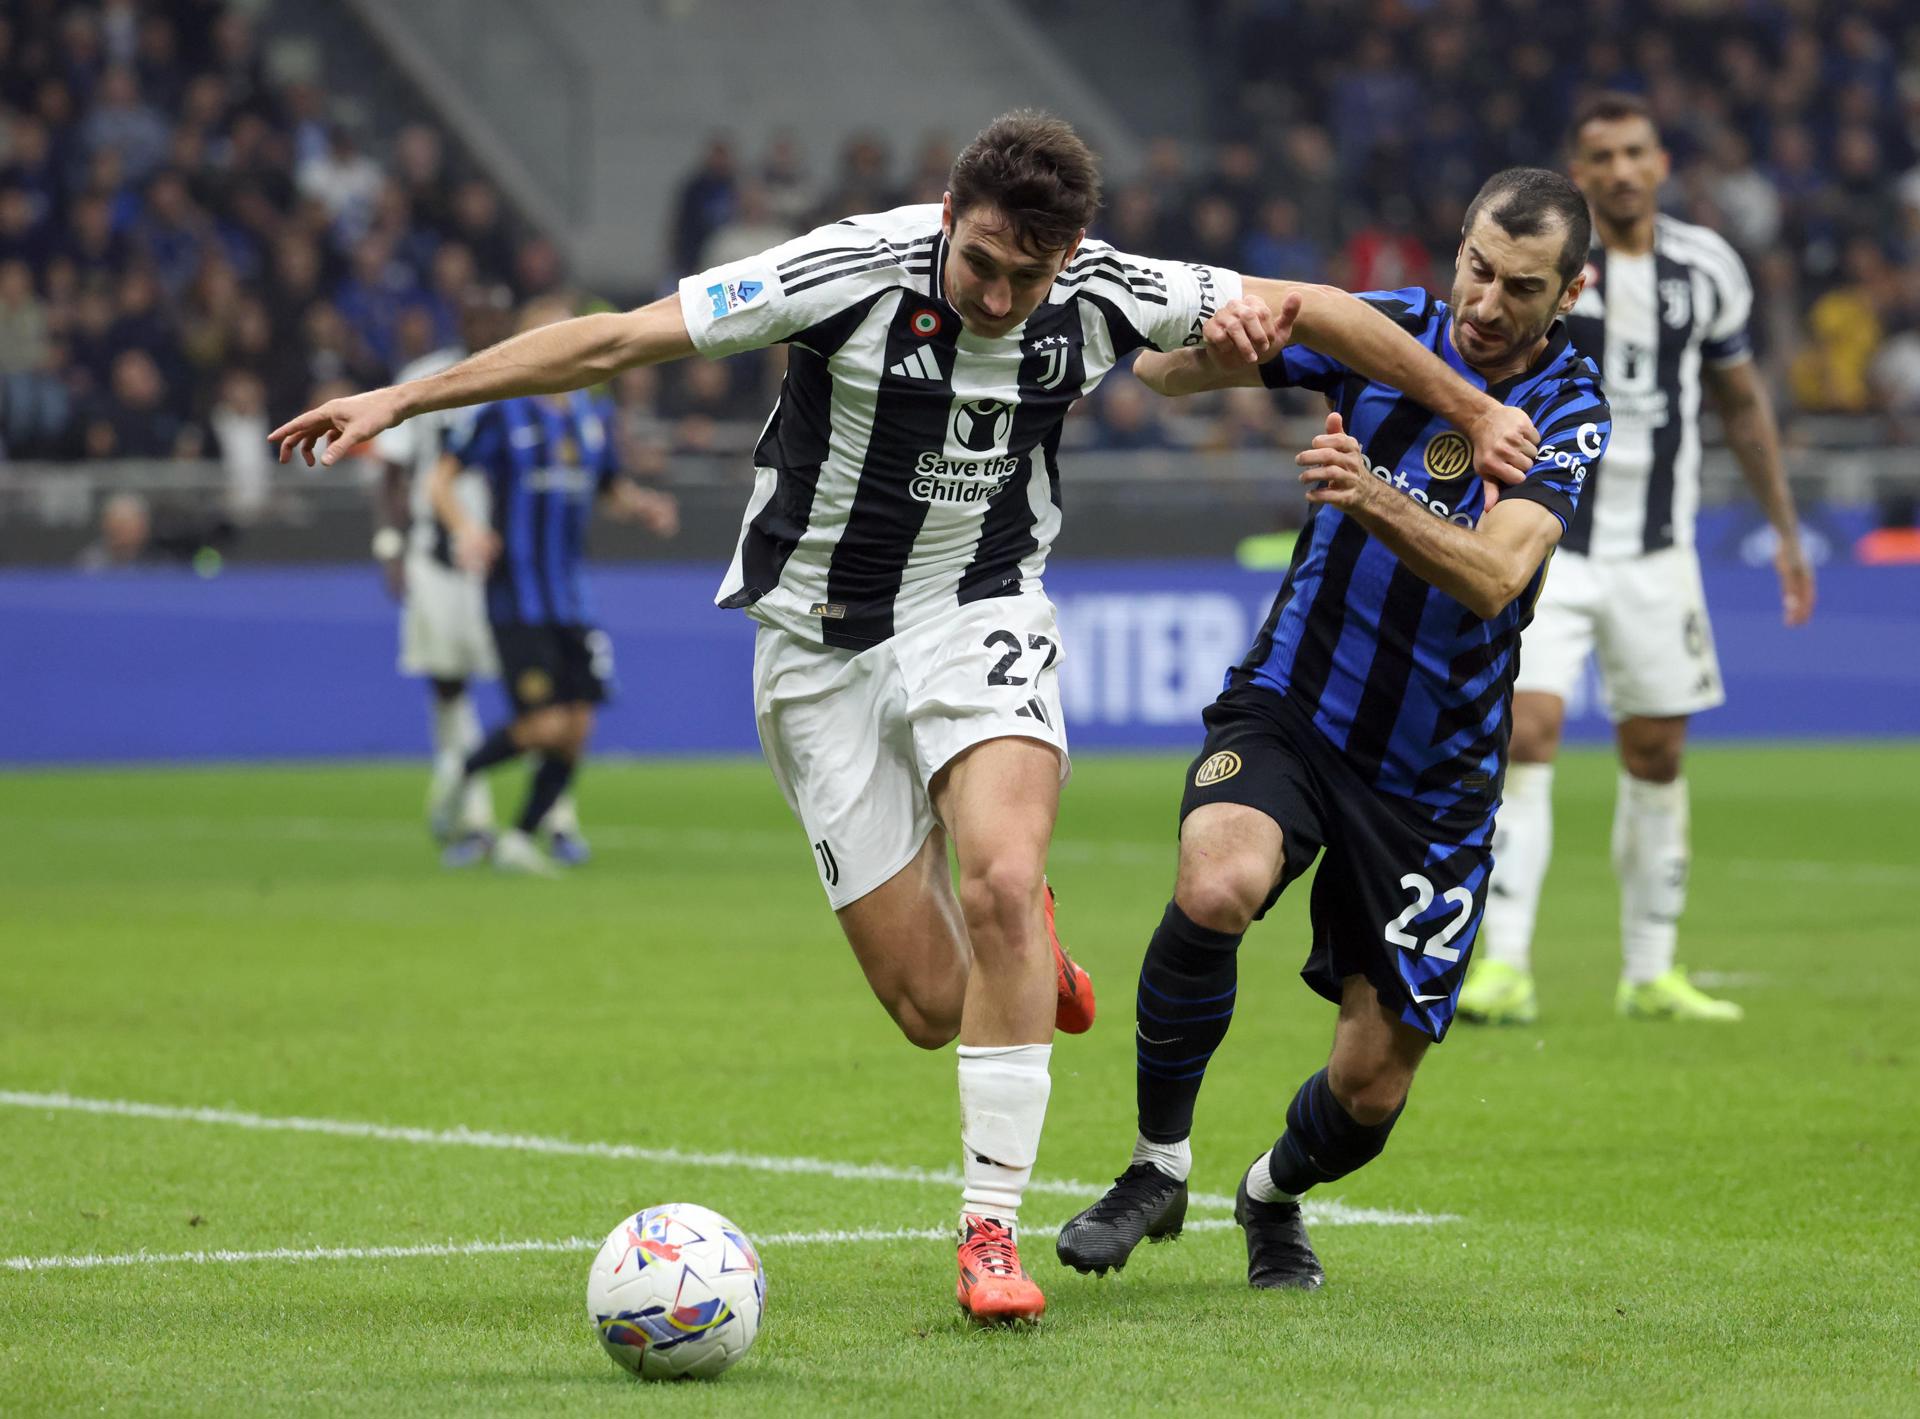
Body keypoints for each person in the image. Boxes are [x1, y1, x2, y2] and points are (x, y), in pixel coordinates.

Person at [270, 111, 1540, 1324]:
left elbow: (1312, 308)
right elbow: (613, 342)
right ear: (948, 216)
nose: (999, 298)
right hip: (814, 651)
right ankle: (1026, 944)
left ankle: (989, 1231)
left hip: (978, 609)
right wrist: (400, 402)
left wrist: (1475, 411)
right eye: (982, 264)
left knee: (995, 875)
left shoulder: (1100, 287)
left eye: (1026, 277)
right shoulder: (842, 272)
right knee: (934, 1004)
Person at [1056, 168, 1610, 1293]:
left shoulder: (1573, 413)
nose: (1489, 303)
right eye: (1477, 268)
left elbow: (1497, 578)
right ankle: (1156, 1165)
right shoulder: (1394, 330)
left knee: (1370, 1091)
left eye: (1524, 287)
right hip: (1294, 705)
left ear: (1573, 292)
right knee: (1217, 883)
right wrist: (1225, 341)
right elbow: (1162, 374)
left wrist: (1376, 498)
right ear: (1455, 249)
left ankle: (1269, 1195)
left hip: (1432, 779)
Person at [1460, 93, 1814, 1028]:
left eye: (1635, 152)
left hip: (1657, 554)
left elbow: (1739, 405)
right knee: (1526, 733)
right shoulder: (1544, 272)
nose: (1621, 170)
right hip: (1550, 544)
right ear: (1578, 173)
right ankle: (1505, 964)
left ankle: (1650, 970)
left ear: (1660, 162)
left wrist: (1783, 529)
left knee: (1656, 750)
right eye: (1601, 156)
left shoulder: (1705, 270)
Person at [423, 298, 679, 875]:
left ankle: (518, 838)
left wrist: (644, 507)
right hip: (517, 595)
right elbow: (441, 481)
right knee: (544, 726)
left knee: (577, 728)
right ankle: (462, 771)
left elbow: (609, 484)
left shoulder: (590, 413)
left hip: (572, 595)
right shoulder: (500, 411)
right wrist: (467, 529)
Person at [373, 289, 593, 868]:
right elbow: (394, 471)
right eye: (475, 314)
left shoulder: (540, 382)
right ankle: (472, 814)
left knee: (550, 705)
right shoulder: (426, 378)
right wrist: (391, 545)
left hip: (514, 567)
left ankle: (554, 818)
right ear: (460, 316)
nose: (483, 323)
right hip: (441, 561)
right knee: (450, 686)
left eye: (493, 315)